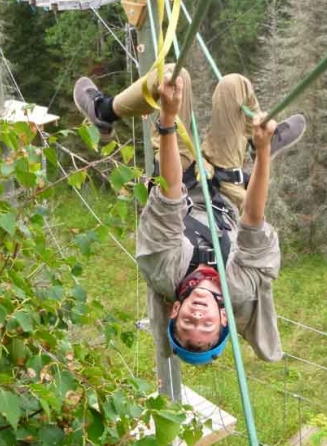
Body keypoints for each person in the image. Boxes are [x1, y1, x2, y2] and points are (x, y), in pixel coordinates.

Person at [73, 64, 305, 365]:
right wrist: (262, 156)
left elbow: (170, 198)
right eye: (206, 324)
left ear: (175, 311)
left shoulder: (163, 271)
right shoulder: (240, 287)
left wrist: (168, 120)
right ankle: (259, 139)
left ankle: (104, 112)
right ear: (223, 317)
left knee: (171, 76)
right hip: (227, 192)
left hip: (181, 179)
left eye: (188, 323)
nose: (197, 316)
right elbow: (252, 222)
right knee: (235, 86)